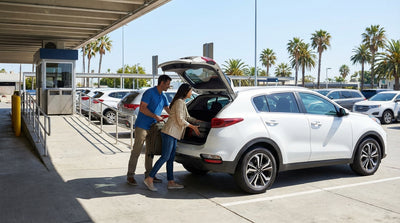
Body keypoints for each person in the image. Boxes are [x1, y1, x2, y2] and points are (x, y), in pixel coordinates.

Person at [144, 83, 200, 191]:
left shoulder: (182, 102)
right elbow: (180, 119)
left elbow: (187, 117)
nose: (191, 93)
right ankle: (149, 178)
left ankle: (171, 182)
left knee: (170, 158)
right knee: (165, 157)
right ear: (186, 91)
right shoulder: (179, 102)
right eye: (190, 91)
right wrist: (192, 127)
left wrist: (198, 121)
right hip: (169, 133)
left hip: (174, 134)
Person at [126, 74, 172, 186]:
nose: (168, 86)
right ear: (161, 83)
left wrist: (176, 117)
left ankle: (149, 175)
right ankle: (130, 175)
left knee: (150, 152)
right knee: (137, 150)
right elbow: (142, 108)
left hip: (153, 127)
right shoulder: (149, 93)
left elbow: (168, 109)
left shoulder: (163, 96)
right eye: (167, 84)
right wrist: (155, 116)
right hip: (142, 125)